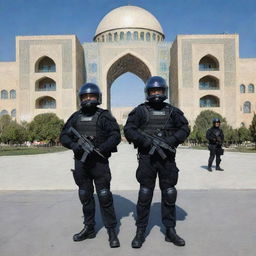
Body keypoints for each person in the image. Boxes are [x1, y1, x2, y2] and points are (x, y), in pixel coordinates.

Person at [124, 76, 190, 248]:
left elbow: (184, 128)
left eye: (159, 91)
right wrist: (144, 141)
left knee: (169, 193)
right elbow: (129, 129)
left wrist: (172, 140)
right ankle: (140, 231)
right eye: (153, 91)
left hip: (167, 159)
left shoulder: (173, 111)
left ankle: (170, 230)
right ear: (148, 93)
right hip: (147, 159)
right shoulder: (140, 111)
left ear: (164, 92)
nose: (156, 94)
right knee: (145, 195)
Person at [60, 83, 121, 248]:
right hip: (81, 163)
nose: (88, 99)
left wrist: (101, 148)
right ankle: (89, 228)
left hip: (99, 163)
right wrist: (74, 146)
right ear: (81, 99)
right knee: (85, 195)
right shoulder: (75, 117)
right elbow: (64, 136)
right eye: (85, 96)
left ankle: (111, 230)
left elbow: (115, 135)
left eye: (91, 96)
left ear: (98, 98)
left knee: (104, 196)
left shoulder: (104, 116)